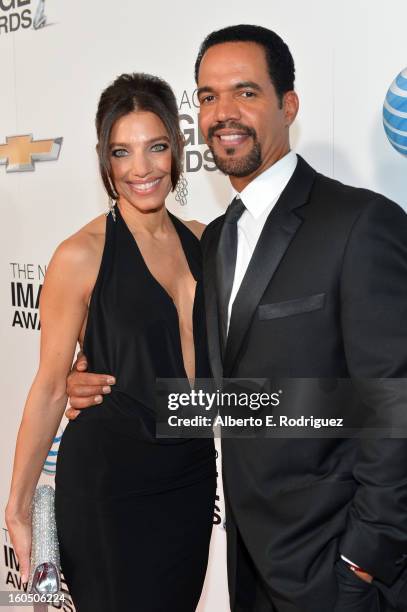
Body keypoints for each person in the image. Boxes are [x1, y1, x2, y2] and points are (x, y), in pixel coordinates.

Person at [66, 26, 407, 612]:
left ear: (288, 105)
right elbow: (243, 396)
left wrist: (365, 557)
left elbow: (394, 399)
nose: (224, 113)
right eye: (207, 96)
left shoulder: (359, 223)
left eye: (245, 92)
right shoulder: (216, 238)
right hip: (246, 565)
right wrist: (113, 387)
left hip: (337, 570)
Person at [5, 72, 216, 612]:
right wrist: (18, 507)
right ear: (106, 161)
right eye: (123, 152)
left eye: (156, 147)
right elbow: (53, 387)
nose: (141, 169)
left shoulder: (204, 239)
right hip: (110, 480)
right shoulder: (81, 254)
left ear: (177, 147)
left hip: (190, 476)